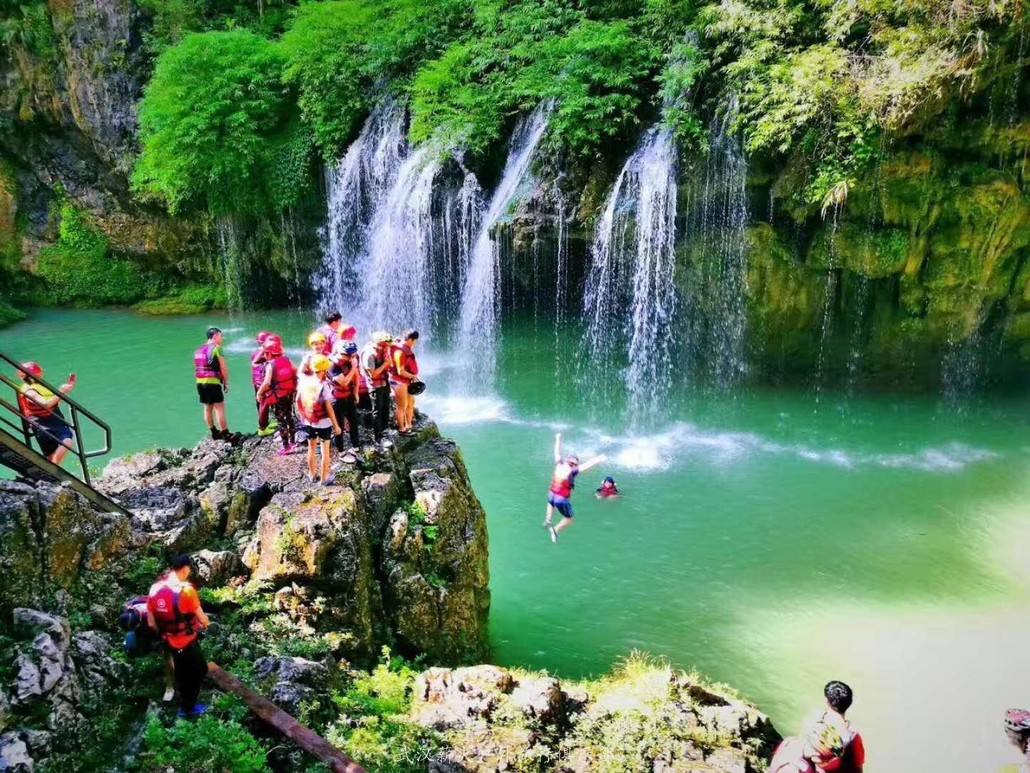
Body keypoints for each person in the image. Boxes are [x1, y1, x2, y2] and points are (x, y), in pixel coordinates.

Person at [147, 555, 211, 719]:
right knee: (194, 673)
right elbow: (204, 620)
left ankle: (183, 697)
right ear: (185, 569)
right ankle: (187, 709)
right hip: (186, 642)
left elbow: (151, 623)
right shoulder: (187, 591)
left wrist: (166, 633)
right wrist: (202, 625)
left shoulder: (154, 589)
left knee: (185, 671)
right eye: (189, 568)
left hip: (168, 640)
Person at [768, 680, 865, 773]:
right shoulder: (853, 737)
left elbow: (802, 743)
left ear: (826, 701)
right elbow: (858, 768)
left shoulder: (812, 720)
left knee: (789, 744)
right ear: (849, 703)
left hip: (806, 766)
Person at [543, 432, 606, 543]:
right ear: (575, 464)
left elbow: (556, 451)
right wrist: (599, 459)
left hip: (551, 494)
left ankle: (548, 520)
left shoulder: (559, 464)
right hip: (561, 499)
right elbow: (587, 465)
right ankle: (555, 530)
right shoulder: (573, 471)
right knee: (569, 519)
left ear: (567, 461)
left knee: (550, 503)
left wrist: (558, 438)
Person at [15, 362, 77, 465]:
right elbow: (45, 404)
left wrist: (65, 391)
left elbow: (54, 402)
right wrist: (61, 392)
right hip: (42, 424)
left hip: (55, 420)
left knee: (67, 442)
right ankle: (51, 470)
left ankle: (52, 470)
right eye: (37, 375)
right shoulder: (29, 391)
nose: (39, 377)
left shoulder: (40, 386)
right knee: (50, 454)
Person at [295, 355, 342, 485]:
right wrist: (336, 425)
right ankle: (324, 479)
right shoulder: (324, 386)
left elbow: (297, 400)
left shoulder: (304, 381)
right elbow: (329, 409)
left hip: (309, 421)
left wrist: (303, 416)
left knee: (311, 447)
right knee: (324, 450)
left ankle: (312, 474)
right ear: (324, 370)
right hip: (323, 423)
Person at [119, 595, 175, 702]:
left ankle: (170, 686)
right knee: (130, 649)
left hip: (162, 630)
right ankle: (149, 647)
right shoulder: (129, 608)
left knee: (168, 655)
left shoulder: (155, 616)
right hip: (144, 632)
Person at [255, 336, 298, 455]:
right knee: (289, 416)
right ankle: (294, 441)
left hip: (278, 397)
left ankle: (286, 447)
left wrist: (259, 393)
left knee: (281, 421)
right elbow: (296, 372)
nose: (264, 355)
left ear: (269, 353)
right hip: (289, 394)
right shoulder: (287, 359)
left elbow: (267, 382)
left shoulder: (270, 365)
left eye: (265, 353)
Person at [194, 327, 230, 440]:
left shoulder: (198, 350)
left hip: (200, 382)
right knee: (219, 407)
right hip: (212, 382)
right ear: (214, 336)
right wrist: (226, 382)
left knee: (207, 407)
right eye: (220, 335)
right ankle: (226, 434)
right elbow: (223, 367)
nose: (222, 338)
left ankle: (214, 432)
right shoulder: (217, 348)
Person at [329, 340, 360, 461]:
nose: (350, 357)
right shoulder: (333, 364)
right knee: (339, 426)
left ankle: (356, 446)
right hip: (337, 399)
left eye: (352, 355)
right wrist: (354, 367)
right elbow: (344, 382)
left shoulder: (352, 359)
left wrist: (356, 392)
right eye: (347, 355)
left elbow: (356, 376)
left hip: (349, 396)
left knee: (354, 422)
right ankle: (341, 452)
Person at [362, 332, 394, 445]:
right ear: (380, 343)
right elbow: (373, 374)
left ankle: (384, 431)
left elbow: (389, 364)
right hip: (374, 386)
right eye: (386, 344)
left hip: (384, 382)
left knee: (386, 407)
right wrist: (386, 364)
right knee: (377, 411)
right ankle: (378, 437)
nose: (388, 346)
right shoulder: (369, 354)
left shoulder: (383, 350)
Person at [390, 329, 420, 435]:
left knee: (411, 403)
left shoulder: (405, 349)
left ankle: (409, 425)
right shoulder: (400, 352)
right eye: (416, 341)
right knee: (402, 405)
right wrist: (413, 376)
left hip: (407, 381)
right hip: (399, 381)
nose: (416, 343)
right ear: (411, 340)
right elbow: (400, 371)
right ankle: (402, 429)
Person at [251, 331, 275, 436]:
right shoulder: (265, 352)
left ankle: (265, 424)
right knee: (264, 405)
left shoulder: (254, 352)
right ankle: (262, 428)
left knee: (260, 404)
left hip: (256, 381)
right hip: (263, 382)